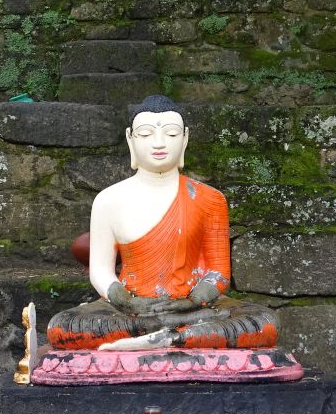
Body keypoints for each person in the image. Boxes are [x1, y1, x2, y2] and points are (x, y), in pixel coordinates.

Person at [47, 95, 279, 351]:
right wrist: (124, 300)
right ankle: (174, 336)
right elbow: (101, 271)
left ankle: (167, 338)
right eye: (146, 134)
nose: (159, 143)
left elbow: (218, 271)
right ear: (130, 139)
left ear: (185, 138)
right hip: (131, 310)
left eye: (170, 134)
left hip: (194, 308)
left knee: (264, 323)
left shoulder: (210, 199)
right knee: (63, 326)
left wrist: (192, 302)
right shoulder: (108, 200)